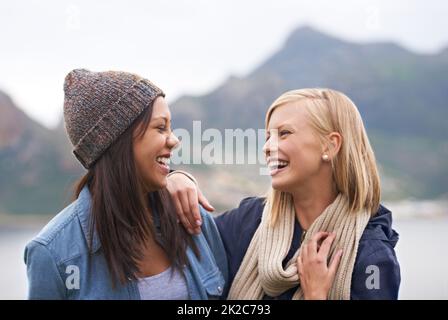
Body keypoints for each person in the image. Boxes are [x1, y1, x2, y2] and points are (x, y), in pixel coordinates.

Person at [168, 88, 401, 299]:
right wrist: (172, 177)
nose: (267, 146)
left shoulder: (372, 254)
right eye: (268, 136)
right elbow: (176, 236)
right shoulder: (250, 220)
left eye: (284, 133)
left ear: (330, 146)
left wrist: (316, 296)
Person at [24, 69, 227, 300]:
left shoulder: (192, 218)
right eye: (161, 128)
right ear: (119, 139)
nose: (174, 140)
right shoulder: (52, 254)